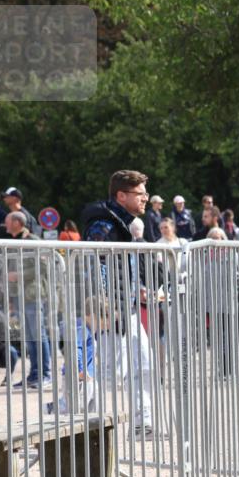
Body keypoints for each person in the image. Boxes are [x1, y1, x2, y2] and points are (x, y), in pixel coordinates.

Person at [82, 170, 160, 436]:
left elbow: (121, 266)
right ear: (121, 195)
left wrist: (137, 290)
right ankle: (75, 424)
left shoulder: (124, 223)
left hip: (126, 307)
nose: (145, 199)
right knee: (103, 372)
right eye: (140, 194)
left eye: (145, 194)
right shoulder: (104, 226)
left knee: (144, 363)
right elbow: (97, 264)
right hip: (110, 312)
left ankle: (143, 421)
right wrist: (104, 305)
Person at [5, 211, 51, 387]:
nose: (5, 225)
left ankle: (45, 374)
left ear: (17, 222)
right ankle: (34, 375)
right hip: (18, 296)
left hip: (33, 294)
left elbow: (44, 266)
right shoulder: (13, 242)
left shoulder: (33, 241)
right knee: (29, 338)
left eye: (7, 221)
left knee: (38, 335)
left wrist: (19, 275)